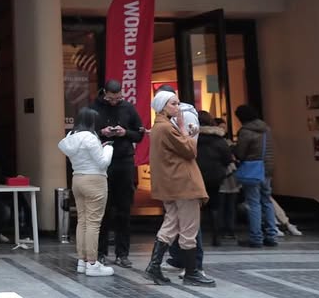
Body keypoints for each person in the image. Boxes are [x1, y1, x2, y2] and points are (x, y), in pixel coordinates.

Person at [144, 90, 215, 286]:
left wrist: (184, 134)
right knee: (189, 229)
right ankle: (192, 272)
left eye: (177, 102)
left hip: (171, 185)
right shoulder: (168, 128)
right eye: (173, 103)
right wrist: (184, 130)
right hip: (184, 184)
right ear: (163, 107)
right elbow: (190, 150)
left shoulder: (158, 127)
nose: (178, 107)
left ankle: (154, 266)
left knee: (171, 225)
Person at [90, 80, 145, 268]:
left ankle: (122, 253)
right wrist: (101, 132)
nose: (114, 101)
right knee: (102, 208)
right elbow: (85, 133)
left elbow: (139, 134)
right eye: (111, 99)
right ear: (104, 93)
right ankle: (101, 252)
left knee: (124, 209)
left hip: (124, 160)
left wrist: (125, 132)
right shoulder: (95, 108)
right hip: (102, 162)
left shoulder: (128, 108)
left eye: (118, 98)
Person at [58, 107, 114, 276]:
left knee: (82, 221)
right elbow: (102, 162)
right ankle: (92, 263)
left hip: (77, 179)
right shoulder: (90, 137)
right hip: (95, 180)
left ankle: (82, 261)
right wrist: (108, 149)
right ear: (91, 122)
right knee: (93, 223)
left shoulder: (71, 137)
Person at [235, 104, 277, 247]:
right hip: (267, 169)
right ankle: (272, 235)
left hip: (253, 170)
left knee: (253, 203)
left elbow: (240, 153)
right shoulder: (266, 129)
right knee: (267, 201)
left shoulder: (245, 131)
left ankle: (256, 237)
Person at [195, 111, 232, 246]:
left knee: (195, 206)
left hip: (195, 175)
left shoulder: (192, 138)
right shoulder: (218, 139)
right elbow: (227, 158)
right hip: (215, 175)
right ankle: (216, 235)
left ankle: (195, 237)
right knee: (215, 205)